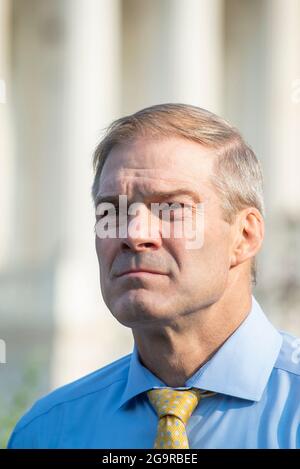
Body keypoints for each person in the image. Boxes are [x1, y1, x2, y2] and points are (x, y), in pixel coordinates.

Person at [8, 103, 300, 449]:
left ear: (245, 236)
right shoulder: (47, 433)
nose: (133, 234)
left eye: (172, 208)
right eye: (112, 211)